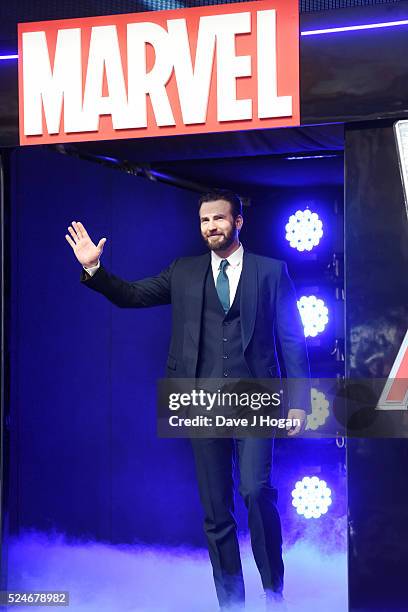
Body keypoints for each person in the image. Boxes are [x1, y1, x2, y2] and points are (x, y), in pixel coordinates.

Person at [65, 189, 310, 610]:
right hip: (199, 399)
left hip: (256, 398)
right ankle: (231, 601)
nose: (211, 227)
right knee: (216, 510)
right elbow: (131, 295)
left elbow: (292, 338)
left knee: (255, 491)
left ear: (238, 221)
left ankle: (274, 593)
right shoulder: (183, 271)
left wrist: (299, 401)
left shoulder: (271, 272)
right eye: (204, 221)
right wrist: (95, 269)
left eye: (218, 218)